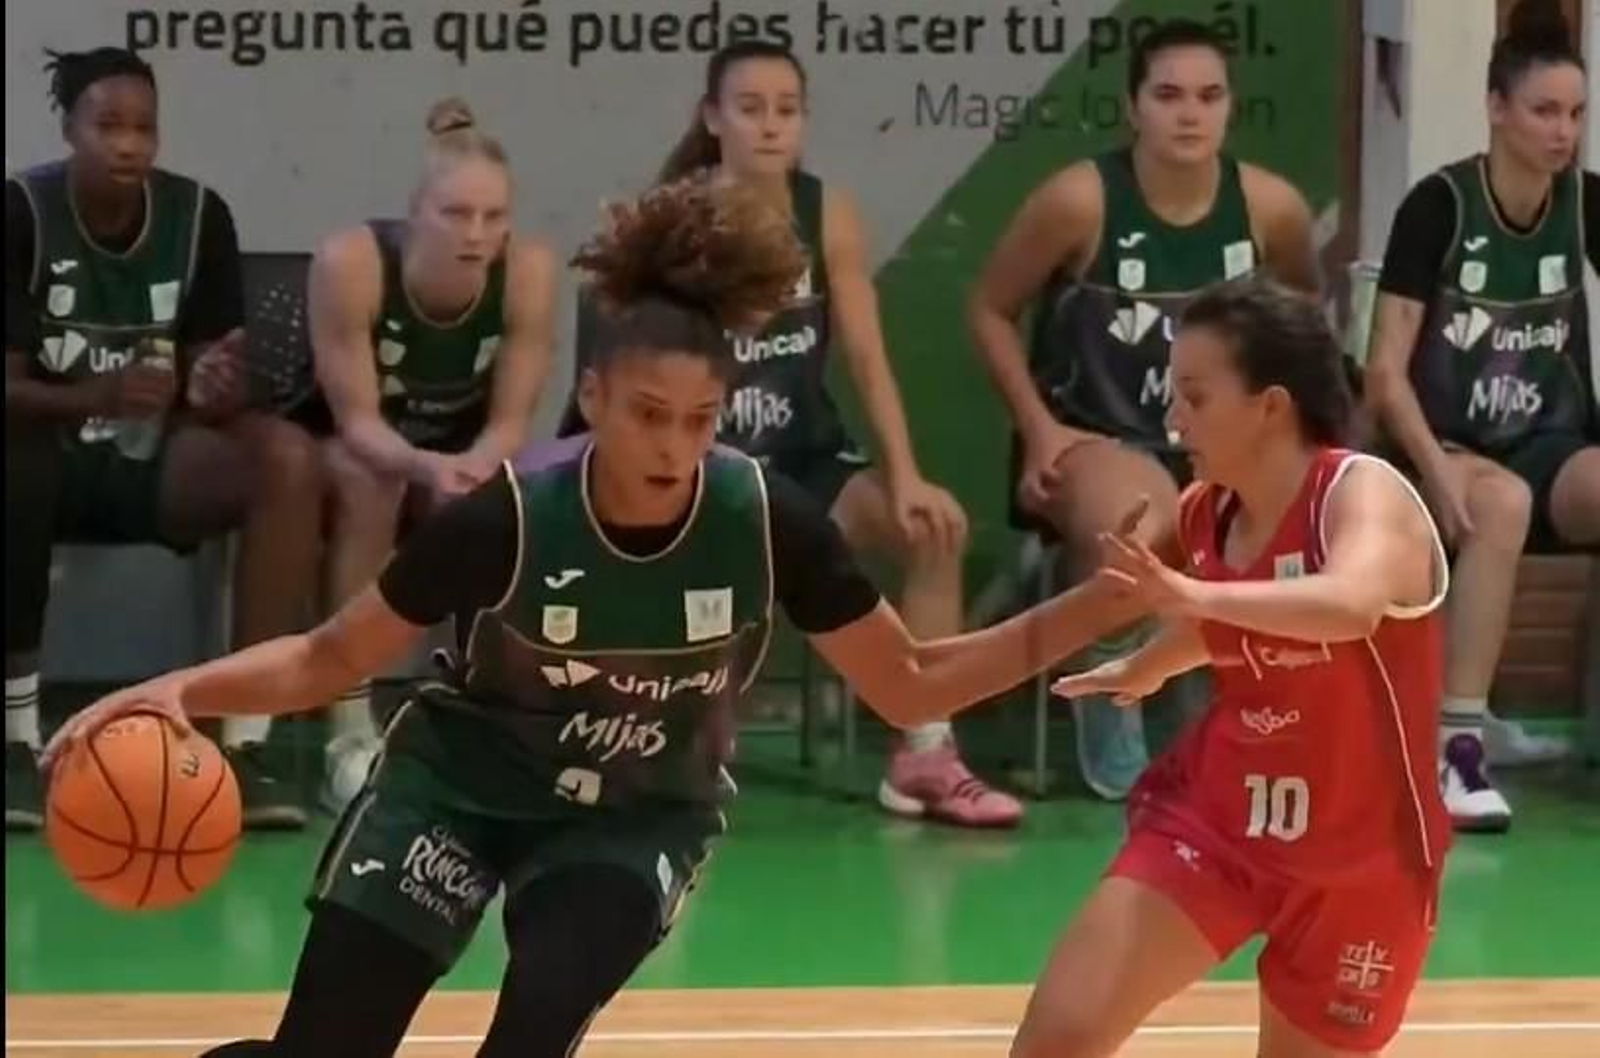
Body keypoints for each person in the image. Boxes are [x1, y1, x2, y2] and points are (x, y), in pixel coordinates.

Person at [45, 176, 1154, 1058]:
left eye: (699, 418)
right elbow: (334, 655)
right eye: (647, 415)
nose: (673, 444)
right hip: (458, 788)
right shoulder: (509, 517)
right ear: (594, 401)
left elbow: (910, 681)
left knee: (532, 1028)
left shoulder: (766, 516)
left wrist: (1096, 601)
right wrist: (174, 690)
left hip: (630, 815)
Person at [560, 40, 1017, 827]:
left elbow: (866, 354)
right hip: (697, 470)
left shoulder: (824, 213)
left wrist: (905, 474)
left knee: (934, 531)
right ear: (713, 118)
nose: (770, 126)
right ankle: (652, 753)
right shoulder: (679, 221)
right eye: (750, 109)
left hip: (806, 466)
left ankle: (924, 756)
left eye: (786, 110)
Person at [1019, 277, 1450, 1058]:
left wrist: (1189, 598)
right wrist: (1153, 660)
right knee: (1059, 1037)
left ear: (1270, 406)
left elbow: (1348, 605)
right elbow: (1244, 619)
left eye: (1194, 395)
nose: (1172, 417)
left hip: (1363, 863)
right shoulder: (1205, 509)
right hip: (1221, 826)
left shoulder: (1362, 495)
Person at [968, 19, 1319, 801]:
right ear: (1134, 107)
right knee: (1151, 515)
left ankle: (1264, 715)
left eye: (1208, 95)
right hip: (1096, 434)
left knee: (1303, 509)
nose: (1189, 113)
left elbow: (1304, 320)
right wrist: (1038, 430)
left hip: (1219, 443)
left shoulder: (1271, 208)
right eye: (1168, 95)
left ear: (1230, 107)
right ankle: (1114, 695)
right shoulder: (1079, 201)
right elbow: (988, 310)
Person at [4, 47, 322, 831]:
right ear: (70, 129)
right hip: (41, 455)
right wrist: (94, 394)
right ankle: (14, 739)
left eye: (143, 127)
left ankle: (243, 738)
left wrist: (217, 387)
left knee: (285, 457)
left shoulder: (199, 216)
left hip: (150, 460)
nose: (128, 144)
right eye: (107, 124)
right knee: (16, 462)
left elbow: (215, 376)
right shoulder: (20, 212)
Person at [1362, 0, 1600, 834]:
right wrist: (1435, 468)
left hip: (1550, 443)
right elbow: (1384, 371)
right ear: (1497, 109)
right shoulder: (1440, 208)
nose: (1563, 131)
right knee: (1496, 505)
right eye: (1544, 111)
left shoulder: (1585, 205)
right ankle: (1456, 748)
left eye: (1576, 113)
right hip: (1437, 440)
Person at [294, 98, 556, 812]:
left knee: (516, 496)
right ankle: (349, 727)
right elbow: (355, 422)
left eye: (494, 218)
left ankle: (497, 721)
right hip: (362, 448)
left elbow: (511, 422)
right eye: (456, 214)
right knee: (370, 482)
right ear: (416, 213)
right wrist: (425, 468)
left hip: (464, 448)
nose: (477, 235)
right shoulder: (351, 262)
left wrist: (469, 467)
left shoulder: (529, 272)